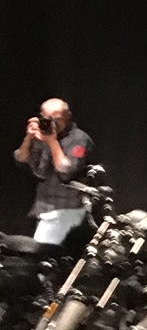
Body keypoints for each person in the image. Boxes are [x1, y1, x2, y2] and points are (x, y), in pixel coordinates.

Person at [14, 98, 95, 248]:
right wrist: (28, 138)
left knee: (39, 254)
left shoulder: (79, 139)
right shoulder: (42, 134)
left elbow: (66, 171)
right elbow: (21, 159)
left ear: (67, 116)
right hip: (42, 208)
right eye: (47, 119)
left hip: (66, 210)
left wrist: (52, 141)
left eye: (56, 119)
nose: (52, 124)